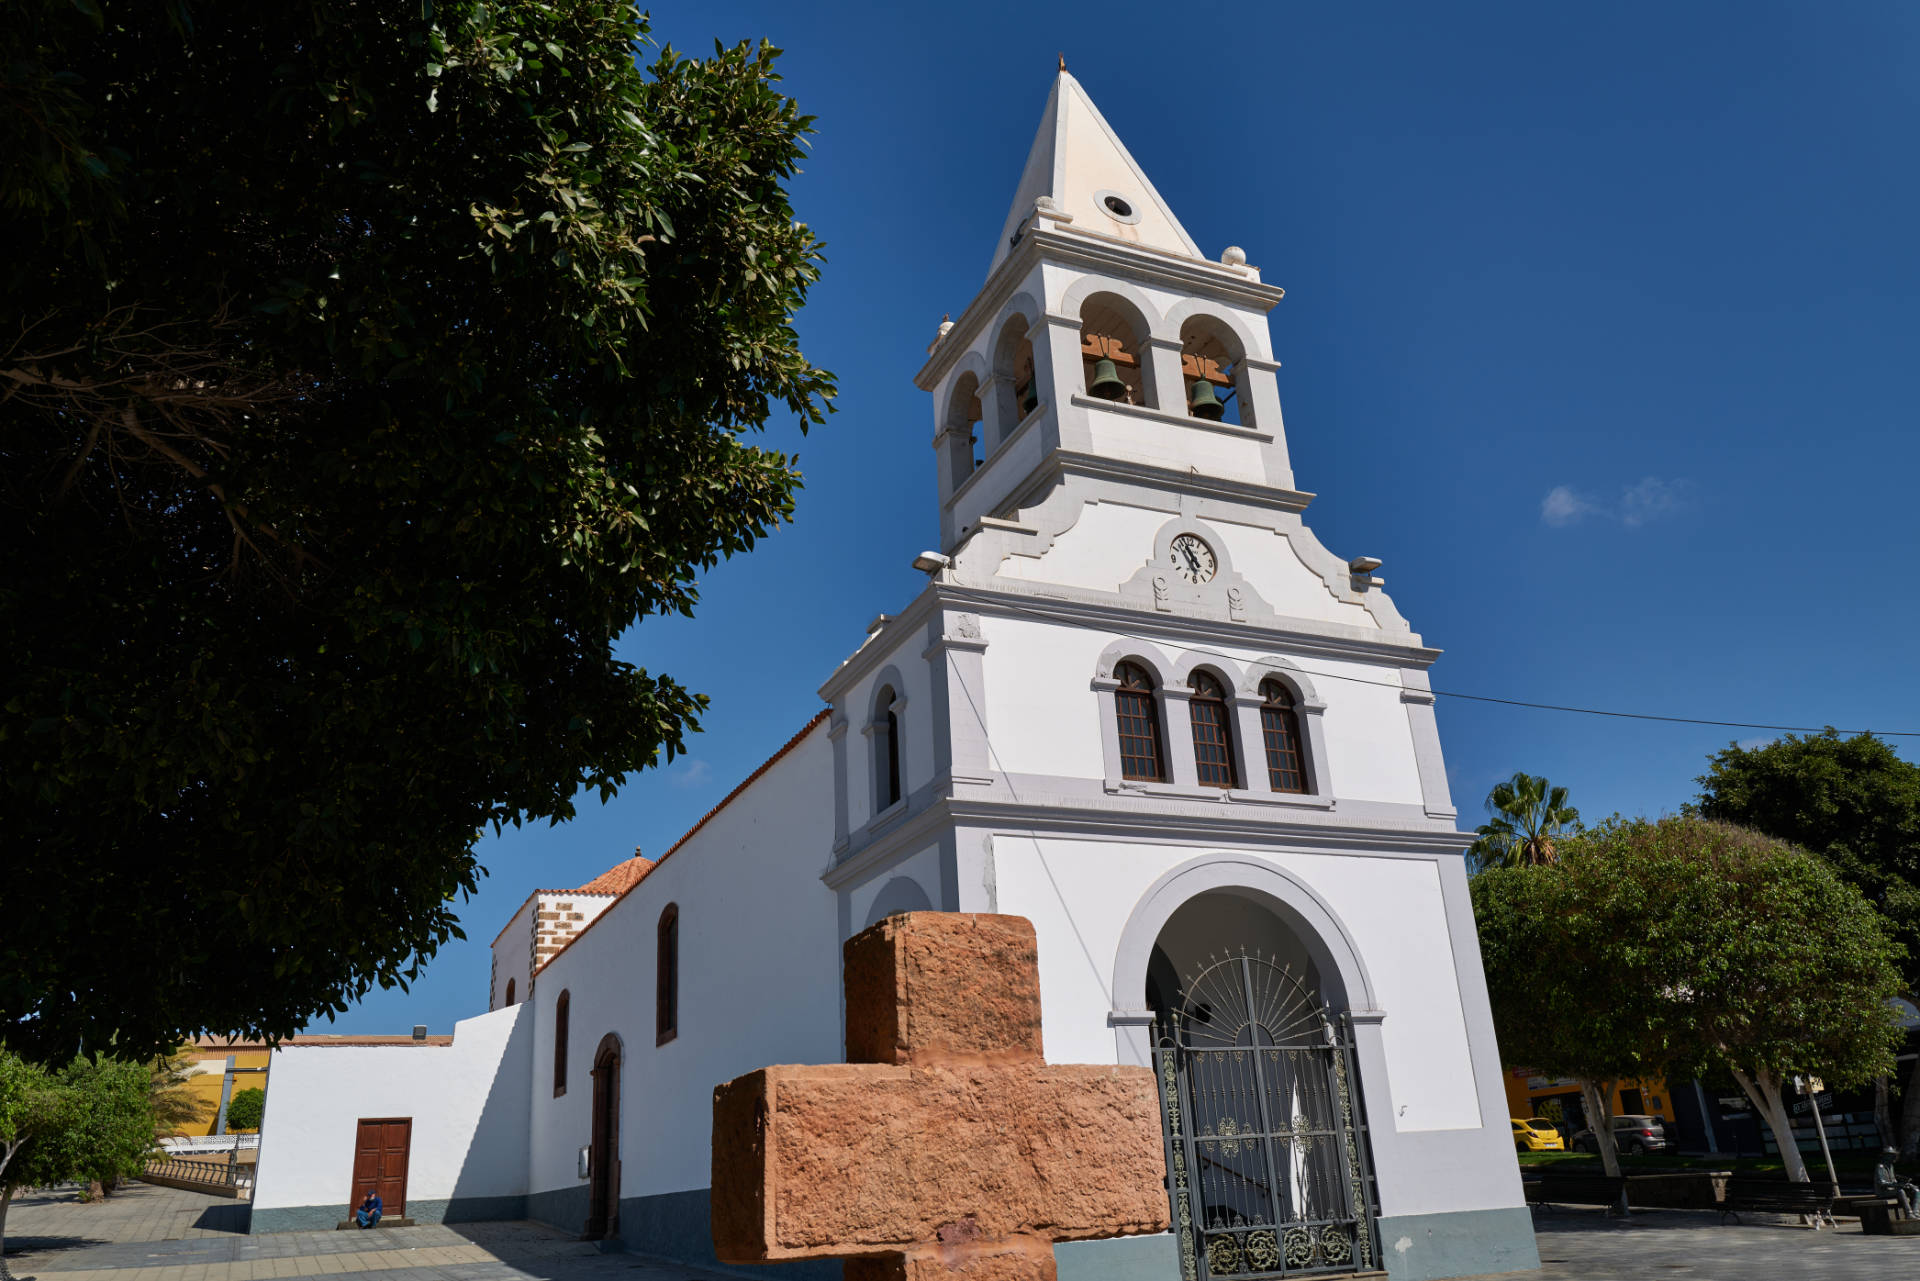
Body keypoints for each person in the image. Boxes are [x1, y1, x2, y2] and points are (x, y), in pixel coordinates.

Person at [1874, 1148, 1917, 1218]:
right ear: (1885, 1156)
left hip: (1892, 1190)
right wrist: (1898, 1185)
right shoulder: (1880, 1167)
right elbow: (1882, 1183)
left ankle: (1916, 1212)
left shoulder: (1891, 1166)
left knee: (1916, 1190)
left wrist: (1907, 1184)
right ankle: (1909, 1214)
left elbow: (1893, 1181)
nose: (1894, 1157)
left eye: (1894, 1155)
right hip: (1883, 1192)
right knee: (1900, 1191)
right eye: (1891, 1155)